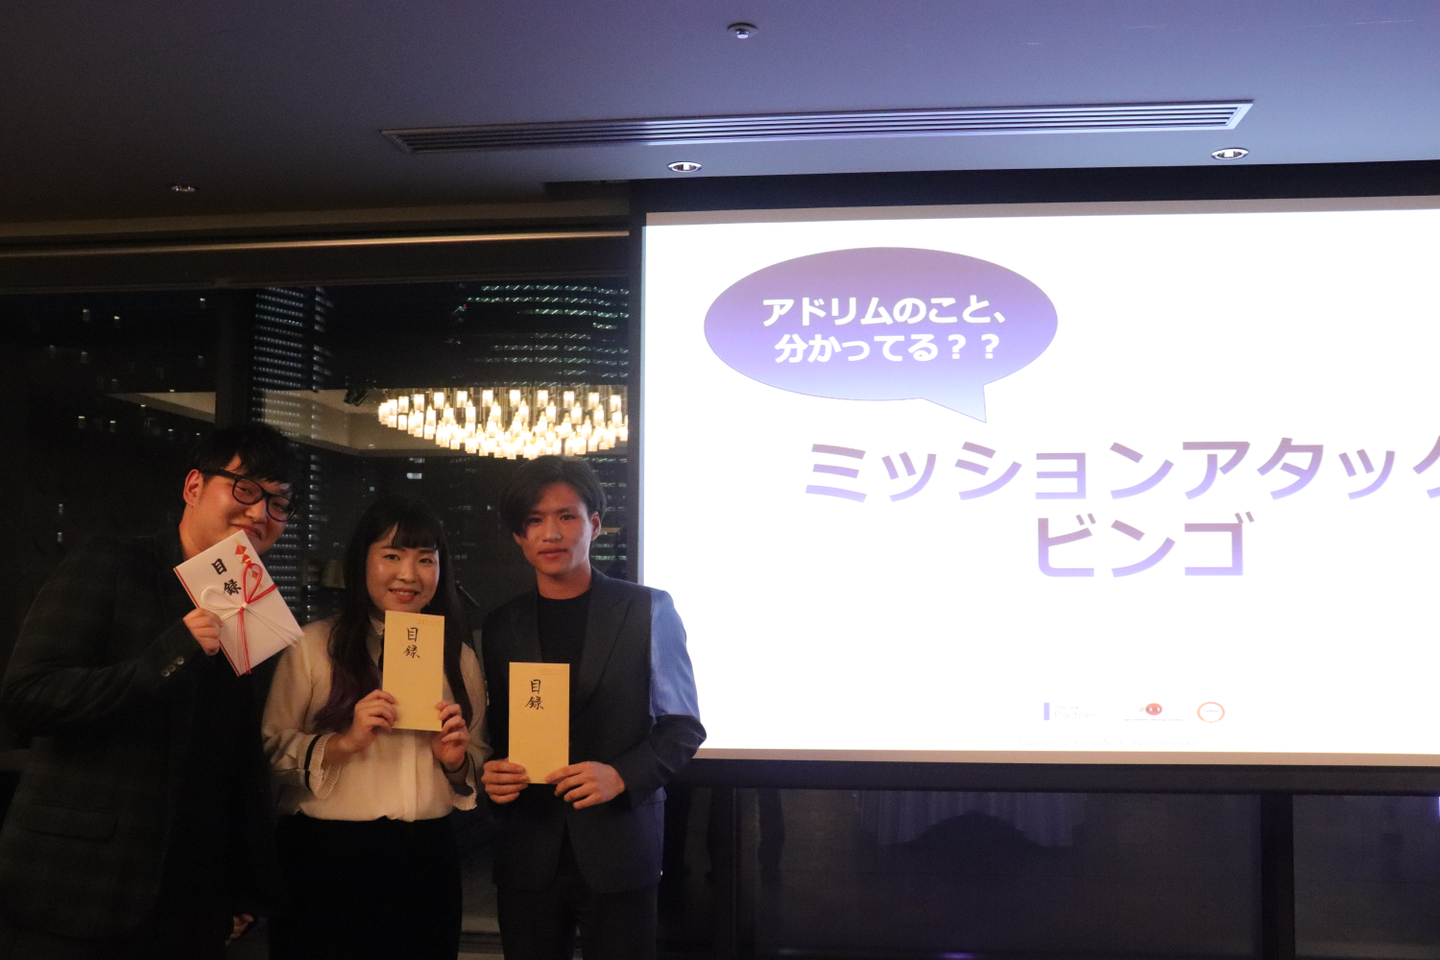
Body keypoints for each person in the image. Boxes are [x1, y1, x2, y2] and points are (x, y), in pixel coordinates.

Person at [0, 422, 300, 959]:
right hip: (80, 883)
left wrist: (243, 881)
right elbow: (27, 696)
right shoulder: (113, 563)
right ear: (194, 487)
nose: (260, 513)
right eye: (246, 489)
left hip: (194, 895)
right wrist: (168, 656)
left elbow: (238, 756)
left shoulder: (253, 604)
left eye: (278, 503)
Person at [481, 455, 704, 960]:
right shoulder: (502, 625)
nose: (550, 533)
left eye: (566, 516)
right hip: (528, 851)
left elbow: (683, 727)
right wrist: (492, 774)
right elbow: (498, 736)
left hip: (620, 847)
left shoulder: (648, 610)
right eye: (534, 520)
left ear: (595, 525)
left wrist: (621, 776)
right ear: (519, 537)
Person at [261, 494, 487, 960]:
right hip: (328, 856)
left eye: (425, 559)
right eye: (392, 556)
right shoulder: (313, 646)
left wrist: (455, 762)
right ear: (362, 562)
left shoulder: (458, 657)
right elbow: (270, 749)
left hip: (427, 856)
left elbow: (478, 756)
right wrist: (343, 743)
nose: (409, 574)